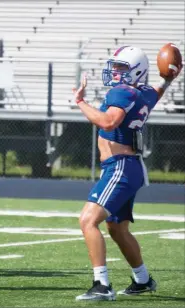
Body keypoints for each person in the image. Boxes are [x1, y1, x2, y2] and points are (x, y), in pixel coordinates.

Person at [74, 46, 182, 301]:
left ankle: (102, 285)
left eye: (121, 67)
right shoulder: (142, 92)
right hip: (129, 165)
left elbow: (108, 122)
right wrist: (168, 78)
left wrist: (80, 101)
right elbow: (157, 91)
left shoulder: (122, 91)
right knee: (117, 228)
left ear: (136, 71)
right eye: (116, 66)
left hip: (119, 165)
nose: (115, 72)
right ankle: (143, 279)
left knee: (88, 221)